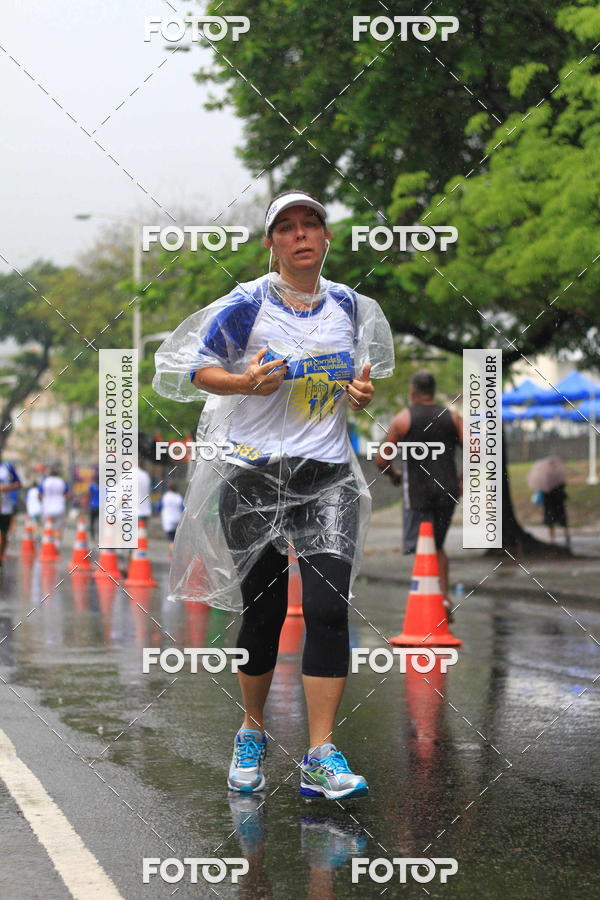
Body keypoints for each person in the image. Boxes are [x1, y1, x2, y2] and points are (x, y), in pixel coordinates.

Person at [153, 189, 394, 799]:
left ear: (327, 237)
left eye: (310, 223)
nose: (300, 235)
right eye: (285, 228)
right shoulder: (247, 304)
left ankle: (320, 751)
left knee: (328, 609)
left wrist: (359, 396)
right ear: (271, 244)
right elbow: (193, 367)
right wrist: (242, 382)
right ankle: (252, 729)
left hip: (326, 477)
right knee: (263, 613)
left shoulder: (352, 307)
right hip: (253, 477)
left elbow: (357, 379)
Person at [374, 371, 462, 615]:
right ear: (433, 392)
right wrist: (463, 481)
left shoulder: (404, 419)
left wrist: (394, 475)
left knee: (424, 546)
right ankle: (443, 598)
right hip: (448, 491)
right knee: (438, 545)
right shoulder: (452, 417)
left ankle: (426, 601)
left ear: (412, 392)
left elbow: (382, 459)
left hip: (418, 493)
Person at [528, 456, 570, 547]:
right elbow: (563, 486)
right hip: (558, 503)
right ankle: (566, 537)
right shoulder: (558, 475)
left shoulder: (543, 478)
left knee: (551, 521)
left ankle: (552, 539)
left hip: (550, 504)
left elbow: (543, 490)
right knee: (561, 520)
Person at [0, 457, 22, 565]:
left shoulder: (7, 468)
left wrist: (6, 488)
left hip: (5, 508)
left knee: (3, 534)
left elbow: (18, 484)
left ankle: (1, 556)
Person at [40, 467, 69, 545]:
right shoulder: (62, 482)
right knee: (58, 529)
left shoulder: (45, 481)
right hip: (59, 507)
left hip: (47, 508)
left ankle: (47, 546)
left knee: (47, 527)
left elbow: (40, 494)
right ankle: (57, 546)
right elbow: (67, 494)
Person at [159, 482, 184, 557]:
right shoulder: (179, 497)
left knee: (171, 539)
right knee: (176, 538)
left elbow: (159, 508)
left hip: (168, 520)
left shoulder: (165, 497)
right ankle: (175, 552)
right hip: (177, 519)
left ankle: (173, 554)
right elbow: (183, 508)